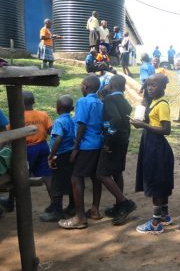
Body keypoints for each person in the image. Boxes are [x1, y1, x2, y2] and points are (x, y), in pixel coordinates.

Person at [131, 73, 175, 234]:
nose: (150, 88)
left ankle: (156, 223)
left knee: (156, 182)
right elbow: (144, 114)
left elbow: (166, 129)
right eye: (148, 85)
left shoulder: (162, 104)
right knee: (159, 180)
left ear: (163, 87)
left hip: (157, 147)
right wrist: (140, 123)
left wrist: (143, 125)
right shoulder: (153, 101)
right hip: (151, 145)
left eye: (154, 85)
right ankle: (164, 215)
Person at [59, 76, 103, 229]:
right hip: (98, 143)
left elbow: (82, 125)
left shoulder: (83, 102)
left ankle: (80, 217)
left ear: (85, 87)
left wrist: (76, 147)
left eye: (81, 85)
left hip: (86, 146)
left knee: (76, 178)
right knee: (96, 177)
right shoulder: (99, 102)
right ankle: (95, 210)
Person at [2, 92, 54, 213]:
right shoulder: (43, 115)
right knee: (48, 177)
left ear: (19, 103)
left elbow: (9, 135)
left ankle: (10, 203)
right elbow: (51, 131)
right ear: (34, 102)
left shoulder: (17, 118)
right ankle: (55, 204)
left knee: (18, 176)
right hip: (42, 147)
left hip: (24, 149)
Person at [96, 75, 137, 226]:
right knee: (116, 171)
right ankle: (119, 206)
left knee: (101, 173)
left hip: (113, 140)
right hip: (123, 139)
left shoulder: (109, 100)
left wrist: (108, 141)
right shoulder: (123, 100)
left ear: (110, 85)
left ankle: (125, 203)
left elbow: (115, 120)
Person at [42, 95, 76, 222]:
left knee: (56, 183)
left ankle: (57, 211)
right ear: (72, 108)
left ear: (57, 109)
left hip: (60, 155)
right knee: (71, 180)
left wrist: (51, 154)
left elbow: (58, 138)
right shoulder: (73, 120)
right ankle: (72, 207)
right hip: (71, 154)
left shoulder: (59, 121)